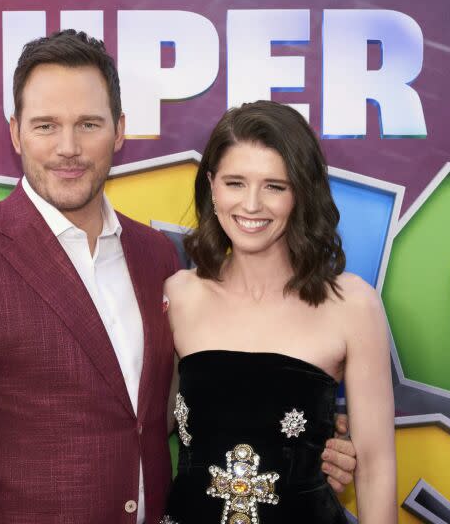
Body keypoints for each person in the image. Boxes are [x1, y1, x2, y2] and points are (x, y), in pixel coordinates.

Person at [0, 31, 357, 523]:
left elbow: (185, 409)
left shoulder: (156, 260)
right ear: (16, 132)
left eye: (89, 123)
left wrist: (308, 438)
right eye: (46, 125)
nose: (69, 147)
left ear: (119, 130)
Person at [162, 101, 396, 523]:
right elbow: (147, 425)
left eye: (275, 186)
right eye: (235, 182)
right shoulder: (178, 295)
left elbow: (376, 467)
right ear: (212, 186)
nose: (252, 205)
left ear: (301, 193)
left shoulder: (352, 304)